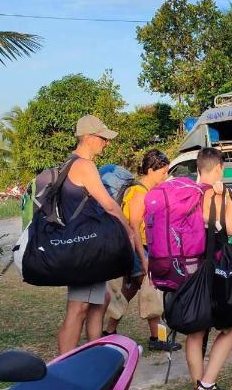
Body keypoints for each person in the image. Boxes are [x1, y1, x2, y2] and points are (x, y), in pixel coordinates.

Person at [56, 115, 134, 355]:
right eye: (102, 138)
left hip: (81, 245)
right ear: (88, 138)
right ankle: (64, 364)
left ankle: (94, 353)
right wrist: (128, 229)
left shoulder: (68, 163)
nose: (106, 143)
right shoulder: (84, 166)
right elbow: (109, 204)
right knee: (78, 308)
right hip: (83, 248)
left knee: (101, 300)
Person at [104, 148, 179, 353]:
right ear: (151, 170)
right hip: (140, 249)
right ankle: (157, 338)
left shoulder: (145, 190)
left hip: (142, 249)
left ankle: (109, 332)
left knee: (129, 291)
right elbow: (134, 227)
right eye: (163, 172)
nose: (165, 176)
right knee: (152, 294)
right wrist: (142, 259)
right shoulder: (139, 192)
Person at [186, 147, 232, 390]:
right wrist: (226, 199)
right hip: (215, 269)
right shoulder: (221, 194)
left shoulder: (187, 193)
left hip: (188, 269)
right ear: (219, 168)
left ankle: (198, 389)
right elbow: (231, 228)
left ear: (198, 168)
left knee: (196, 330)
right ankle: (207, 384)